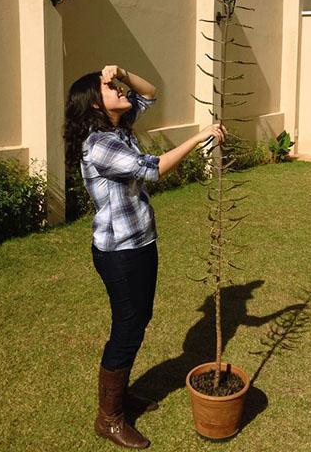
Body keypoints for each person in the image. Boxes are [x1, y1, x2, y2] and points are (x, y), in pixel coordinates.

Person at [64, 65, 225, 449]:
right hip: (119, 252)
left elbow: (151, 91)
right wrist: (199, 136)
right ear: (94, 104)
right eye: (109, 87)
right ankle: (109, 418)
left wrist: (122, 70)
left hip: (141, 242)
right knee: (127, 328)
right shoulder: (99, 144)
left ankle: (120, 397)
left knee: (139, 320)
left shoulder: (119, 127)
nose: (119, 88)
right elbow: (151, 170)